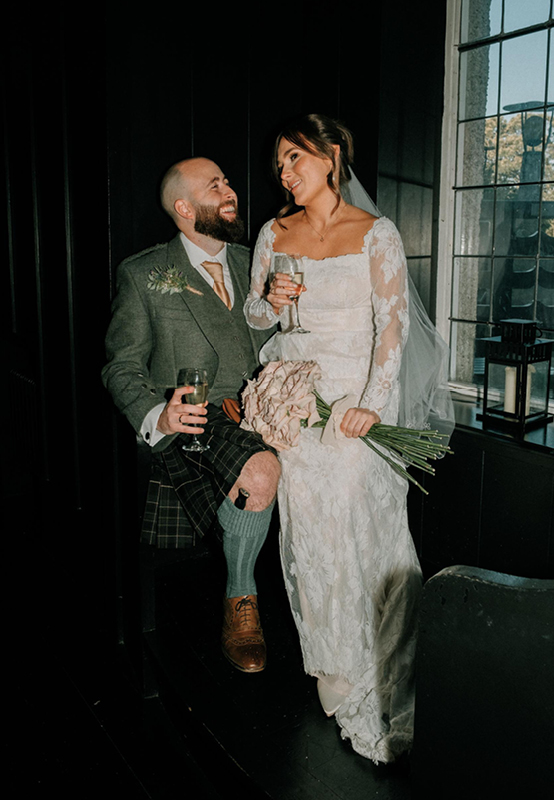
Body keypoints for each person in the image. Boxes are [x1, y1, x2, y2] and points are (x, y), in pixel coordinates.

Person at [244, 114, 452, 763]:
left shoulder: (376, 234)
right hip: (297, 409)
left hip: (358, 406)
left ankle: (385, 674)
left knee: (367, 533)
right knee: (310, 538)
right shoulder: (272, 232)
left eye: (295, 158)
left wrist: (369, 406)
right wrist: (272, 301)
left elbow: (392, 329)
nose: (284, 172)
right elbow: (254, 315)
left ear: (331, 156)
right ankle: (339, 673)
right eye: (278, 162)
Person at [102, 157, 280, 673]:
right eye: (215, 185)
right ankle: (240, 603)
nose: (231, 191)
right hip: (196, 419)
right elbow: (121, 367)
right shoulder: (143, 274)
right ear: (184, 207)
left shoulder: (260, 262)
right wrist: (158, 415)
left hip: (267, 409)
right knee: (262, 472)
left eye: (228, 180)